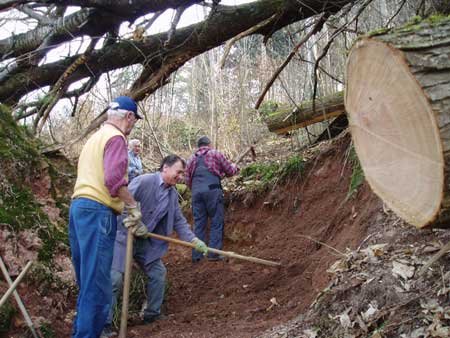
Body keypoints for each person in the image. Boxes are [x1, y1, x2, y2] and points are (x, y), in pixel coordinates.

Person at [102, 155, 207, 335]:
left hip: (144, 242)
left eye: (183, 173)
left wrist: (193, 240)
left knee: (158, 273)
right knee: (115, 279)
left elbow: (179, 221)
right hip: (123, 236)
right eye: (178, 172)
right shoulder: (144, 181)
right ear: (165, 168)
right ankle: (103, 324)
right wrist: (134, 223)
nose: (181, 176)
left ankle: (152, 314)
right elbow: (122, 203)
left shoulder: (172, 195)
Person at [69, 96, 143, 338]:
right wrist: (132, 206)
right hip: (98, 211)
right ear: (129, 117)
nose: (133, 127)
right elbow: (113, 180)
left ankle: (85, 333)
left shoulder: (95, 138)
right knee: (98, 285)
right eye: (134, 121)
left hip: (79, 209)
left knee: (87, 281)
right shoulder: (116, 138)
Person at [185, 136, 239, 262]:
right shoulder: (215, 153)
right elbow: (230, 171)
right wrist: (235, 167)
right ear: (209, 144)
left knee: (199, 224)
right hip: (213, 191)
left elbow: (187, 180)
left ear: (198, 146)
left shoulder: (191, 159)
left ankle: (197, 256)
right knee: (216, 221)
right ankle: (213, 254)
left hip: (196, 193)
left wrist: (197, 189)